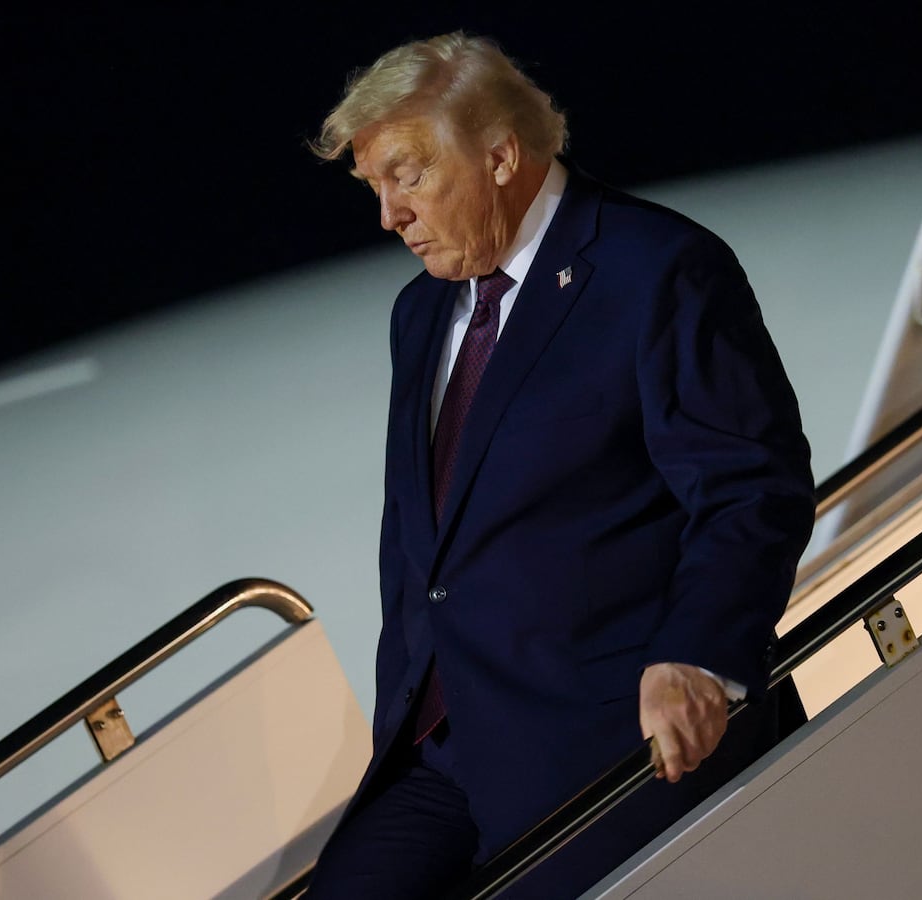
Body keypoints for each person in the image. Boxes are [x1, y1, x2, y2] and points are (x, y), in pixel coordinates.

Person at [304, 32, 815, 899]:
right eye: (375, 187)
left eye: (409, 175)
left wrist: (700, 657)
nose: (388, 215)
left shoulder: (657, 271)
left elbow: (749, 490)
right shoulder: (420, 315)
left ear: (500, 155)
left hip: (605, 739)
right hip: (442, 750)